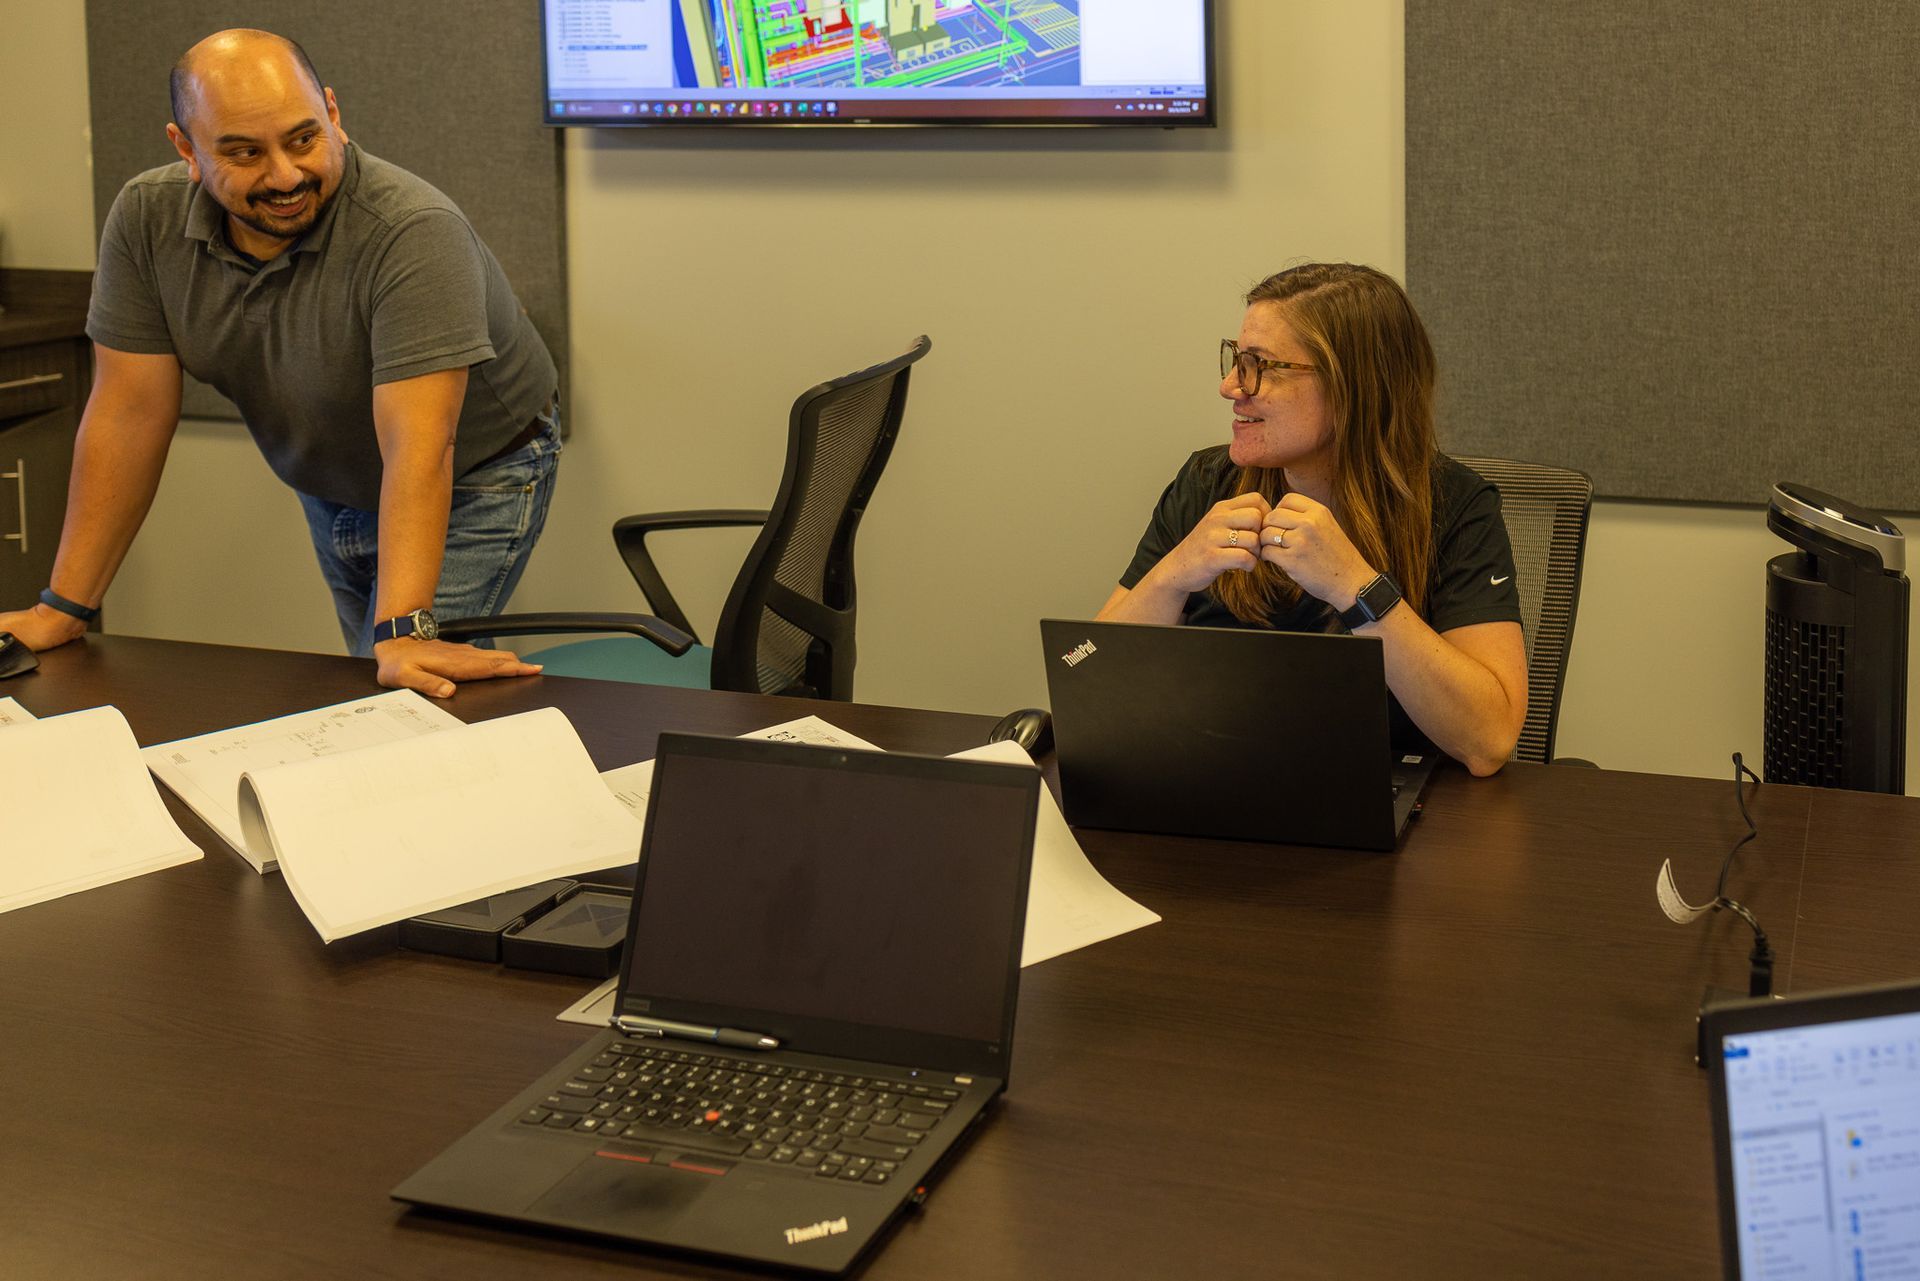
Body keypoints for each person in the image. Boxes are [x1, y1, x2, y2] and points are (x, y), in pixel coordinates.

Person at [0, 29, 558, 698]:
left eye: (303, 139)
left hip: (476, 471)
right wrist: (63, 608)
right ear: (187, 149)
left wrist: (406, 628)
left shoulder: (411, 229)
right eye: (244, 153)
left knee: (400, 692)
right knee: (374, 675)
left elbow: (419, 444)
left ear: (333, 112)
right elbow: (128, 412)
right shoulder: (146, 221)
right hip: (329, 476)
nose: (287, 176)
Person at [1098, 263, 1528, 776]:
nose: (1232, 386)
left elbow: (1487, 741)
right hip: (1214, 783)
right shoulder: (1208, 481)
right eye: (1237, 360)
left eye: (1262, 365)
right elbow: (1094, 678)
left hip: (1385, 800)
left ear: (1354, 387)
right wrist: (1174, 574)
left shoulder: (1455, 505)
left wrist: (1357, 587)